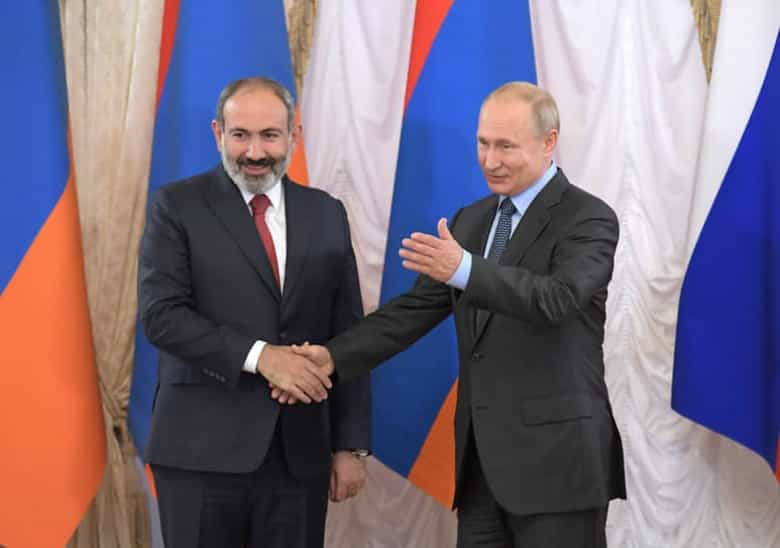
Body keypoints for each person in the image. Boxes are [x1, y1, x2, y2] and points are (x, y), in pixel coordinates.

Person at [282, 82, 626, 548]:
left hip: (558, 467)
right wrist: (332, 357)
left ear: (549, 142)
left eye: (506, 146)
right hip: (481, 468)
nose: (490, 160)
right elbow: (412, 312)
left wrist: (464, 268)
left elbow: (555, 299)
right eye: (483, 143)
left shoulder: (588, 217)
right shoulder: (472, 219)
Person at [137, 76, 371, 548]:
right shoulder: (177, 206)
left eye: (270, 135)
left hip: (299, 457)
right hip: (199, 453)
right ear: (217, 133)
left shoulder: (326, 213)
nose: (255, 152)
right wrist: (262, 357)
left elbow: (348, 332)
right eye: (240, 135)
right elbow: (162, 315)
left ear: (294, 136)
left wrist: (350, 444)